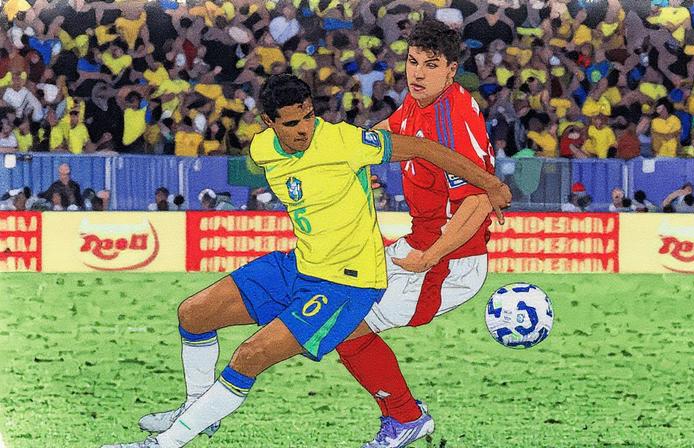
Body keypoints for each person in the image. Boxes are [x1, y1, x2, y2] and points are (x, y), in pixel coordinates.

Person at [101, 74, 510, 448]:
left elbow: (423, 147)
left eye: (309, 117)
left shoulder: (344, 141)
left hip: (346, 284)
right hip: (300, 265)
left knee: (249, 356)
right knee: (193, 313)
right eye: (293, 123)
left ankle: (165, 444)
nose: (304, 130)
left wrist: (490, 184)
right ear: (269, 122)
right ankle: (197, 412)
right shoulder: (263, 149)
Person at [336, 19, 501, 448]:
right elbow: (387, 134)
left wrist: (429, 259)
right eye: (412, 62)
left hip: (449, 261)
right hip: (419, 244)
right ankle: (403, 417)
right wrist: (347, 157)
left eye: (431, 65)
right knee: (332, 302)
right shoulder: (418, 104)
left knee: (345, 322)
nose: (418, 73)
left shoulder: (451, 117)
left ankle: (406, 418)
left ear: (451, 69)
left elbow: (479, 199)